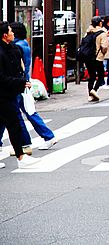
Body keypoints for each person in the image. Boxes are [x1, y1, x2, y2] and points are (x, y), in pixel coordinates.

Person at [0, 22, 58, 151]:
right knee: (15, 114)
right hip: (22, 82)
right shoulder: (24, 45)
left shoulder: (16, 47)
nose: (12, 33)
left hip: (17, 84)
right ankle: (42, 138)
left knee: (17, 115)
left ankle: (29, 143)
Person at [0, 21, 40, 169]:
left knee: (10, 124)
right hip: (3, 95)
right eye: (10, 31)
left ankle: (21, 157)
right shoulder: (1, 52)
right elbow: (2, 77)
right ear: (5, 35)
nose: (13, 33)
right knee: (14, 125)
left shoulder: (13, 49)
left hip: (10, 93)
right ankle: (21, 157)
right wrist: (20, 82)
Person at [84, 17, 108, 102]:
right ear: (100, 23)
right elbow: (104, 47)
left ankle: (90, 95)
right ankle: (94, 90)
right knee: (101, 76)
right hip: (98, 58)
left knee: (92, 76)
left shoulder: (88, 32)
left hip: (87, 58)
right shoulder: (103, 33)